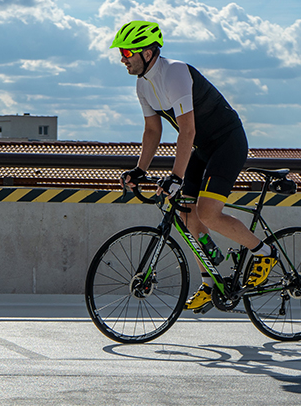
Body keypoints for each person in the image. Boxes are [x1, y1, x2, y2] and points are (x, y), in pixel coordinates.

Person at [112, 20, 278, 311]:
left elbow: (186, 130)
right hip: (200, 148)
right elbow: (153, 131)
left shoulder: (174, 72)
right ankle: (211, 281)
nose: (122, 59)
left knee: (208, 213)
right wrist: (140, 170)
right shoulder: (143, 85)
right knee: (187, 215)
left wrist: (176, 176)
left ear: (148, 53)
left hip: (227, 142)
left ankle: (264, 252)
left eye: (127, 52)